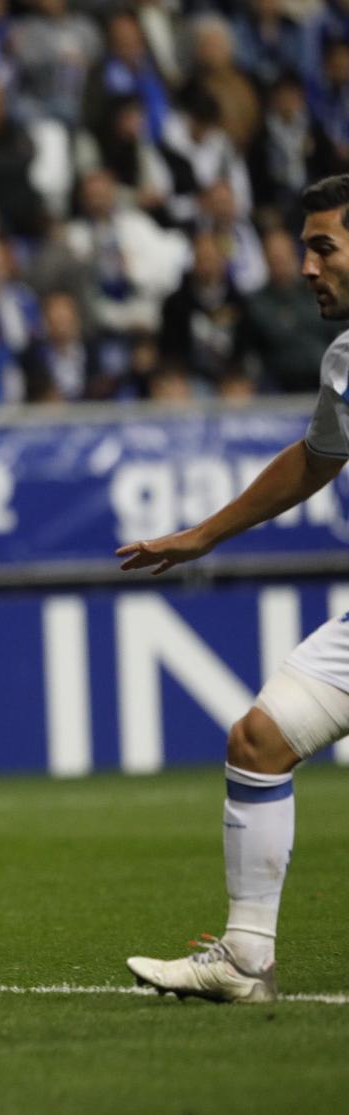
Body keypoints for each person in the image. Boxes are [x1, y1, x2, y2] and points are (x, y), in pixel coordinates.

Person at [116, 174, 349, 1004]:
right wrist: (201, 535)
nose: (306, 266)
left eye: (323, 246)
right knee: (257, 741)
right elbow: (317, 459)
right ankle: (247, 958)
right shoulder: (346, 359)